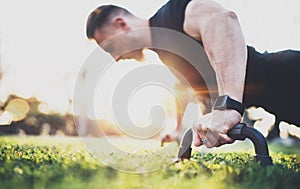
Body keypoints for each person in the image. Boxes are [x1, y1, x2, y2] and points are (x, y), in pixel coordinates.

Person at [86, 0, 300, 148]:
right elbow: (185, 90)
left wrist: (229, 106)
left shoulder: (173, 14)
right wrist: (177, 129)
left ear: (121, 25)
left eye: (111, 48)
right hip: (279, 102)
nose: (115, 58)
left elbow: (223, 20)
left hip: (289, 77)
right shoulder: (164, 53)